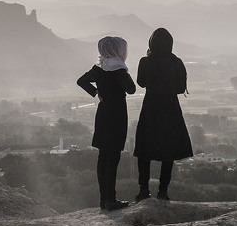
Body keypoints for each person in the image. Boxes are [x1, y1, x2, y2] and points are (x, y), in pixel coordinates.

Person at [133, 27, 193, 202]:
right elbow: (181, 88)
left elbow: (141, 82)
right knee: (169, 150)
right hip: (170, 107)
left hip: (151, 106)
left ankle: (143, 190)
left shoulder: (145, 61)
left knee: (145, 150)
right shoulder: (177, 62)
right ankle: (163, 191)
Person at [77, 36, 135, 211]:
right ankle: (111, 200)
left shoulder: (99, 67)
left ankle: (104, 200)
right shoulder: (119, 69)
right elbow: (131, 89)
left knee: (103, 158)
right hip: (117, 114)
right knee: (113, 157)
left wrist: (96, 92)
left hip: (103, 114)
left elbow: (81, 81)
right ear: (118, 50)